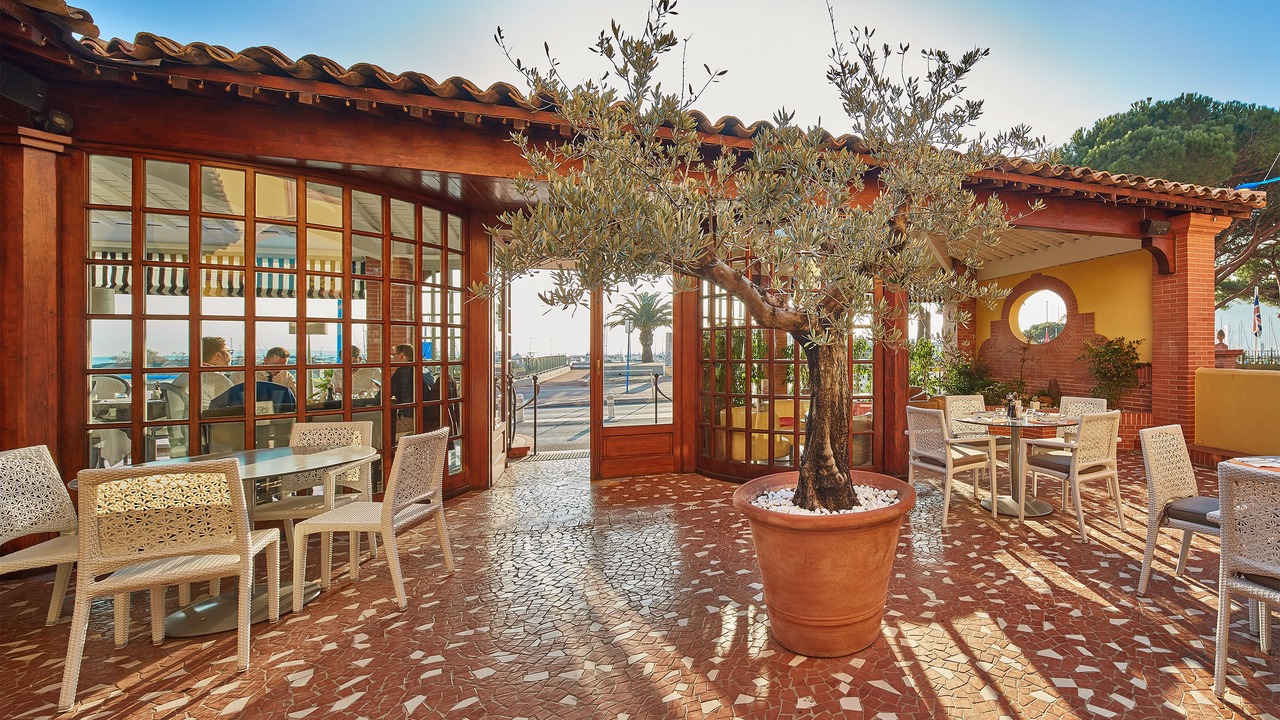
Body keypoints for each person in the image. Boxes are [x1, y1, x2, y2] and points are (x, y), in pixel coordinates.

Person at [175, 336, 235, 410]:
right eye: (229, 352)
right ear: (218, 355)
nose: (230, 356)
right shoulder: (217, 378)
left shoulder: (183, 376)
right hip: (209, 418)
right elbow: (237, 405)